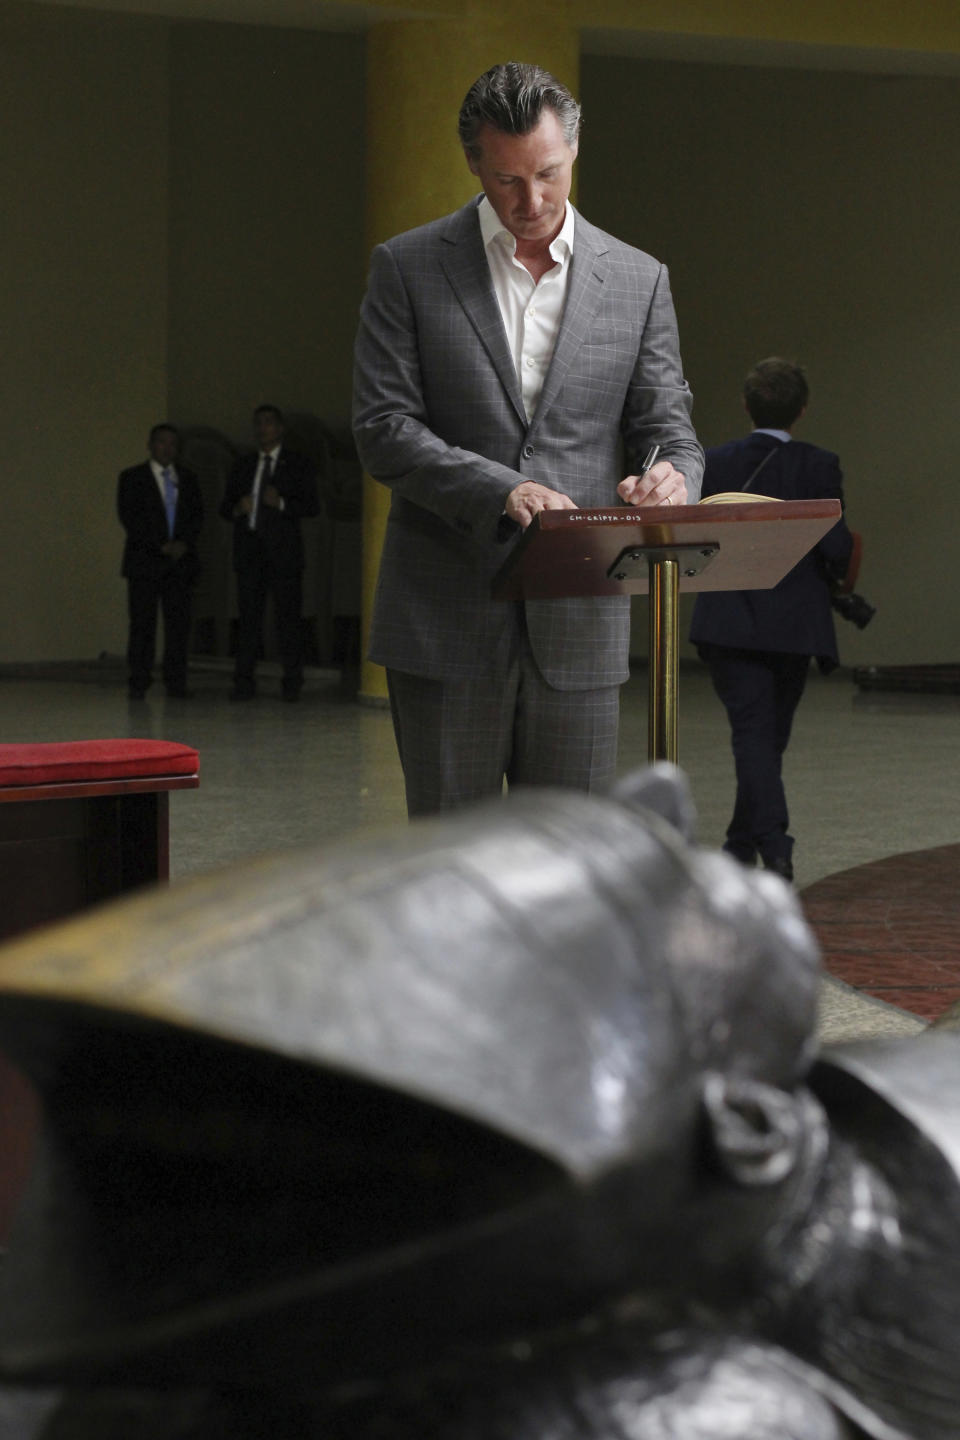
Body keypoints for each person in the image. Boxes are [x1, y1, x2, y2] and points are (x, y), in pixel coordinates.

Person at [353, 61, 704, 816]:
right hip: (443, 621)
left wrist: (671, 474)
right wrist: (500, 490)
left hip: (580, 624)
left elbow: (667, 430)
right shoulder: (407, 267)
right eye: (507, 179)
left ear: (574, 151)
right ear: (473, 162)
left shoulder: (639, 281)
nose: (532, 200)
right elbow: (383, 429)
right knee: (453, 875)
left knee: (570, 875)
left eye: (547, 174)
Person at [689, 358, 854, 881]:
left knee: (756, 736)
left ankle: (741, 846)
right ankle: (775, 845)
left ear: (746, 405)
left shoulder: (713, 462)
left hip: (729, 619)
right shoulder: (820, 464)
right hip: (795, 623)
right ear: (801, 409)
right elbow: (836, 546)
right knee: (767, 736)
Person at [219, 405, 320, 702]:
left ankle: (292, 683)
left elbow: (313, 506)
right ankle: (243, 683)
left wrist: (282, 503)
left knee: (288, 619)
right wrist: (239, 507)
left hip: (284, 554)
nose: (262, 428)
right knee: (248, 619)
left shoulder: (297, 464)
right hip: (250, 551)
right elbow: (224, 507)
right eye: (258, 423)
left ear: (280, 428)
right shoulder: (244, 464)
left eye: (268, 423)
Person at [117, 422, 204, 700]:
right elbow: (130, 517)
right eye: (161, 442)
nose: (167, 448)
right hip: (144, 561)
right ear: (150, 445)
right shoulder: (132, 477)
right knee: (142, 624)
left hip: (179, 563)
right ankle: (139, 680)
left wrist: (184, 544)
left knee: (178, 626)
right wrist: (159, 544)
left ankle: (176, 681)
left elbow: (197, 517)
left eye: (172, 444)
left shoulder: (188, 478)